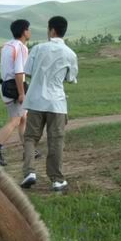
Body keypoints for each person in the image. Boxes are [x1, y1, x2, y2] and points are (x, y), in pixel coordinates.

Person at [20, 15, 78, 192]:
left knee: (30, 138)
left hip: (36, 100)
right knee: (56, 140)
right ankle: (57, 179)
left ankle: (29, 172)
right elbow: (70, 79)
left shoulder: (38, 48)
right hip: (56, 103)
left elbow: (27, 72)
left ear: (51, 30)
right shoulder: (70, 54)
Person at [0, 19, 31, 166]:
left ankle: (29, 149)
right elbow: (19, 72)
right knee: (15, 120)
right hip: (15, 86)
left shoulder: (7, 45)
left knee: (23, 117)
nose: (29, 32)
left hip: (5, 85)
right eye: (28, 29)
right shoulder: (21, 48)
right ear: (24, 31)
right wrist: (21, 93)